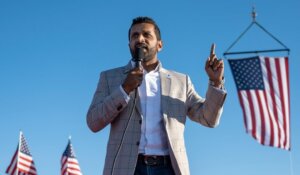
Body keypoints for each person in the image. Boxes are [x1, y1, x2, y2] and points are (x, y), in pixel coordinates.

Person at [86, 16, 227, 175]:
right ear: (129, 45)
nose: (140, 39)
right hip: (126, 168)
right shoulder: (109, 78)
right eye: (135, 35)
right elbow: (93, 122)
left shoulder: (180, 81)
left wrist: (215, 82)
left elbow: (208, 119)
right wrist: (124, 89)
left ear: (160, 45)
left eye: (146, 35)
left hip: (168, 168)